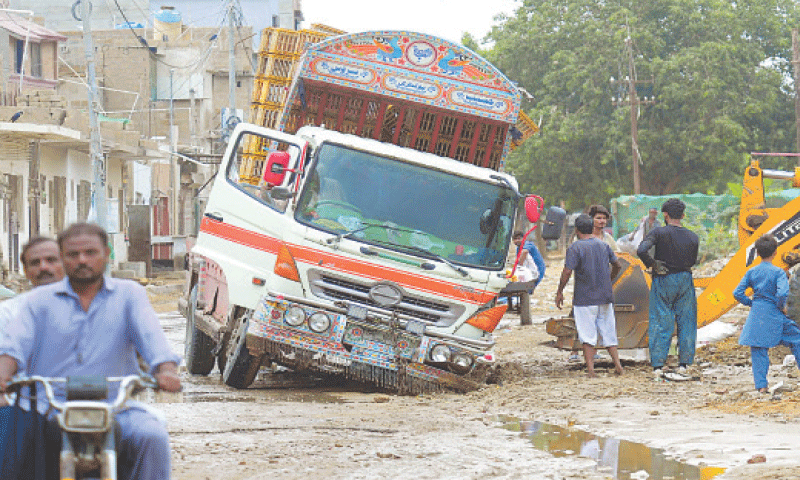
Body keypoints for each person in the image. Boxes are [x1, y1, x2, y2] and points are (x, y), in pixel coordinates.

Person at [0, 222, 182, 480]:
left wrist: (166, 370)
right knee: (13, 450)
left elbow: (153, 339)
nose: (82, 260)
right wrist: (3, 374)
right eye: (73, 255)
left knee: (152, 436)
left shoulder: (129, 294)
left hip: (118, 407)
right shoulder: (37, 302)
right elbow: (14, 346)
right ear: (64, 258)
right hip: (48, 408)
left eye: (90, 253)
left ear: (106, 254)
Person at [0, 236, 65, 469]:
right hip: (25, 405)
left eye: (51, 260)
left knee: (143, 437)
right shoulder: (9, 313)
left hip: (89, 405)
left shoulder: (93, 308)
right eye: (35, 263)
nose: (44, 267)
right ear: (26, 271)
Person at [636, 198, 699, 379]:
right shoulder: (693, 236)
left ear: (665, 215)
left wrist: (653, 264)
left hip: (663, 279)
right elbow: (693, 261)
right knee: (686, 321)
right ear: (683, 215)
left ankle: (658, 365)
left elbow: (641, 250)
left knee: (661, 321)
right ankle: (685, 364)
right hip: (685, 279)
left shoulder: (658, 232)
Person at [555, 214, 624, 377]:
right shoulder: (603, 245)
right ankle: (618, 366)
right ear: (592, 228)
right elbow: (618, 265)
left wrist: (559, 291)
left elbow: (567, 271)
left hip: (585, 298)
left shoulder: (575, 248)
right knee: (609, 333)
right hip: (605, 297)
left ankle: (591, 370)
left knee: (587, 335)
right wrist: (609, 279)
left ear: (577, 230)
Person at [733, 234, 800, 393]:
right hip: (774, 313)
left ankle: (761, 386)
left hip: (757, 314)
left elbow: (737, 293)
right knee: (796, 339)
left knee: (758, 349)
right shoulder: (778, 272)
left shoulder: (751, 272)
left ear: (757, 253)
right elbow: (783, 293)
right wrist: (781, 306)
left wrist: (752, 303)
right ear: (776, 252)